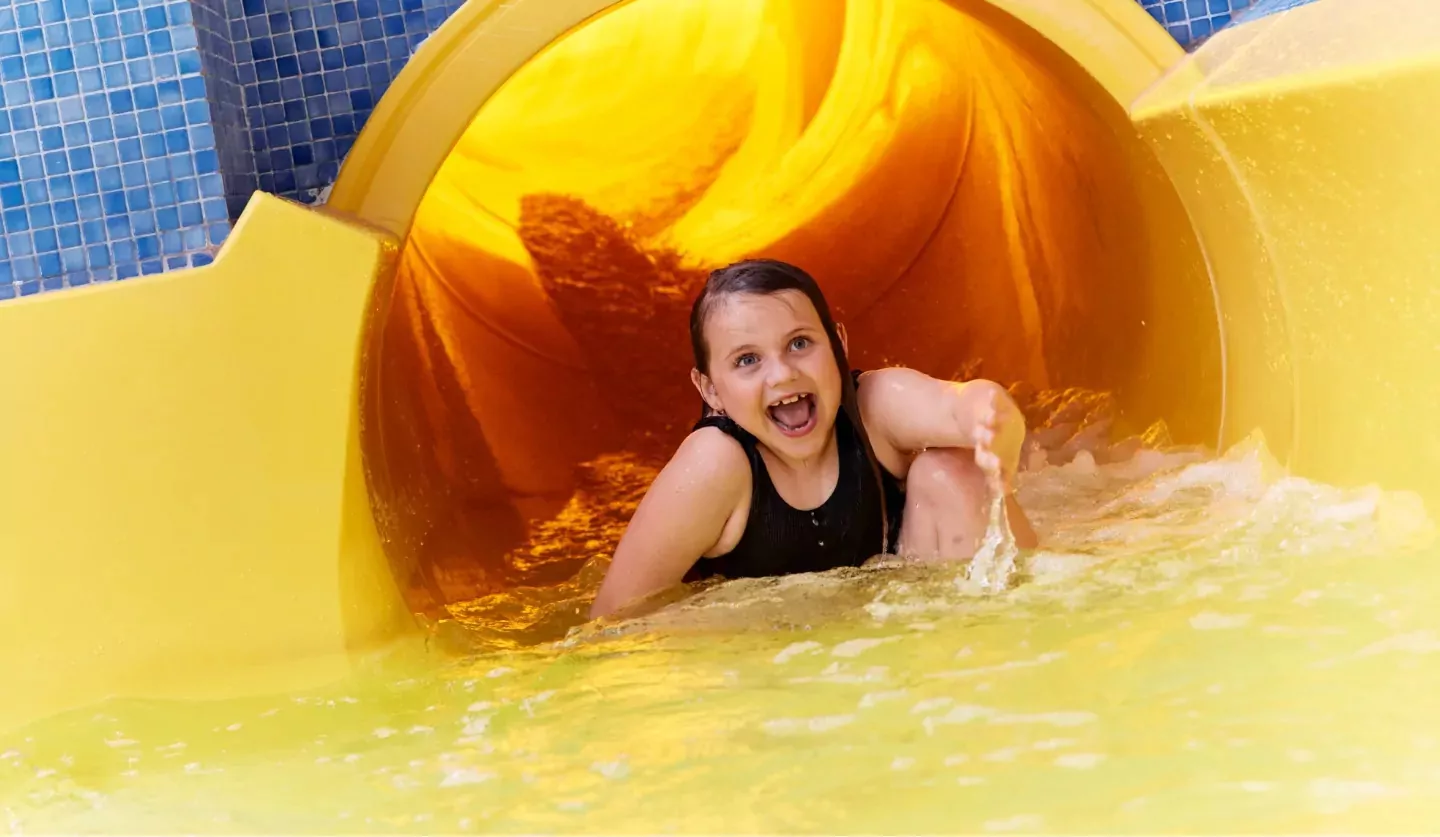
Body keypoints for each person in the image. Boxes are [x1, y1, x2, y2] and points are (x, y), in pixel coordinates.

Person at [589, 258, 1037, 619]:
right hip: (774, 667)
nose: (783, 374)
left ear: (839, 344)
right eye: (747, 360)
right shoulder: (716, 465)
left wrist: (993, 422)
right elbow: (612, 622)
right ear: (710, 390)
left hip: (907, 628)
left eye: (800, 343)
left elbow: (961, 405)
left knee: (953, 468)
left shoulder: (875, 408)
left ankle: (1007, 638)